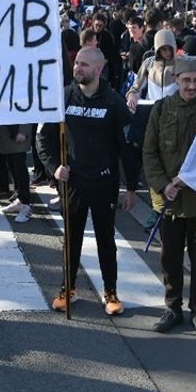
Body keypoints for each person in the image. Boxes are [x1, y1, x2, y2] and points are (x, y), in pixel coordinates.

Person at [37, 47, 138, 316]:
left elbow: (127, 147)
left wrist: (130, 187)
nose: (77, 68)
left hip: (104, 183)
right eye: (76, 63)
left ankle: (110, 292)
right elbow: (43, 138)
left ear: (98, 69)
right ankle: (67, 288)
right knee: (71, 239)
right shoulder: (63, 97)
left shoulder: (114, 102)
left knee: (106, 240)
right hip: (73, 183)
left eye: (83, 64)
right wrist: (54, 168)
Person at [141, 54, 196, 337]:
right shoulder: (162, 109)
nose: (191, 86)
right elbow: (149, 153)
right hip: (170, 201)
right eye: (186, 80)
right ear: (176, 80)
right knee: (170, 258)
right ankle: (173, 308)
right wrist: (163, 185)